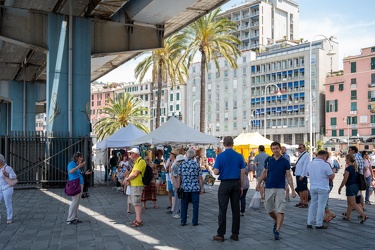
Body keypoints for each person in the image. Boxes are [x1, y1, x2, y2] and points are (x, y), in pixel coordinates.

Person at [256, 141, 296, 240]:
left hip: (280, 188)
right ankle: (276, 220)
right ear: (271, 150)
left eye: (277, 148)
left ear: (280, 148)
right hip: (269, 187)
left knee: (280, 210)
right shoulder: (268, 160)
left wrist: (293, 190)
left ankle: (277, 231)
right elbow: (265, 172)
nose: (275, 150)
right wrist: (259, 183)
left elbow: (288, 175)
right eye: (273, 149)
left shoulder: (285, 161)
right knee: (268, 209)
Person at [212, 136, 245, 242]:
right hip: (236, 183)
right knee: (236, 209)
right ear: (233, 143)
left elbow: (216, 172)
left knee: (222, 209)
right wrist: (241, 185)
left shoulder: (220, 156)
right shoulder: (239, 156)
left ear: (224, 144)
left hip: (225, 184)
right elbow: (243, 172)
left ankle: (220, 234)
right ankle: (235, 234)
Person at [306, 150, 335, 229]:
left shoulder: (310, 164)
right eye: (326, 157)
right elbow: (331, 177)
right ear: (323, 156)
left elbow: (307, 174)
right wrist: (333, 172)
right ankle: (319, 223)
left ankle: (309, 222)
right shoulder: (325, 165)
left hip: (313, 187)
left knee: (312, 205)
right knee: (321, 206)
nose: (326, 159)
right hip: (323, 187)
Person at [338, 154, 368, 223]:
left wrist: (340, 187)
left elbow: (345, 179)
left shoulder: (348, 169)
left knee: (353, 203)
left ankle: (363, 215)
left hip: (350, 186)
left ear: (348, 160)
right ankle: (347, 216)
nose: (345, 160)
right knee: (349, 203)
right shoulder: (356, 167)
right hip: (356, 186)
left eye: (346, 159)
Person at [178, 148, 203, 227]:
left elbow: (179, 176)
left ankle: (183, 220)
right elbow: (200, 177)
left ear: (187, 155)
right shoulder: (196, 164)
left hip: (185, 187)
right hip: (195, 187)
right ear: (194, 156)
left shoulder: (182, 164)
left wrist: (179, 186)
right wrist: (201, 187)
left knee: (184, 204)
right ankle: (194, 221)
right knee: (195, 205)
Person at [66, 152, 92, 224]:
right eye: (81, 157)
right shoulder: (71, 164)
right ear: (77, 157)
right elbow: (71, 171)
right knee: (74, 201)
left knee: (77, 202)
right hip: (75, 184)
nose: (82, 158)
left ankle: (74, 218)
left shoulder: (77, 165)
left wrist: (86, 173)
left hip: (80, 183)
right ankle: (70, 219)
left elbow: (80, 173)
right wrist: (79, 166)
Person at [124, 147, 146, 227]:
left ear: (136, 154)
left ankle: (139, 220)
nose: (130, 155)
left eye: (131, 153)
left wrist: (127, 179)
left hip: (137, 185)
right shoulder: (136, 162)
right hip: (134, 184)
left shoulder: (141, 161)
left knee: (137, 203)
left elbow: (135, 174)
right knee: (135, 203)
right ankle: (137, 219)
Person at [0, 154, 17, 224]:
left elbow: (14, 176)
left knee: (7, 203)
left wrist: (7, 174)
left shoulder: (7, 168)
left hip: (7, 187)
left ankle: (9, 217)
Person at [294, 144, 310, 208]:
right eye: (298, 148)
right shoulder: (301, 155)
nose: (299, 149)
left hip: (302, 174)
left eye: (300, 148)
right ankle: (301, 201)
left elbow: (306, 165)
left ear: (304, 148)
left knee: (304, 189)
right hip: (298, 174)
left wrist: (303, 175)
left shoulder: (306, 155)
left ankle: (305, 202)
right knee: (300, 189)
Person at [170, 154, 185, 219]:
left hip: (180, 184)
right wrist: (176, 184)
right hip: (177, 184)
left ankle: (182, 212)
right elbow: (173, 176)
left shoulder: (179, 165)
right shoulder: (176, 166)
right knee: (177, 199)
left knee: (181, 199)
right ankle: (175, 212)